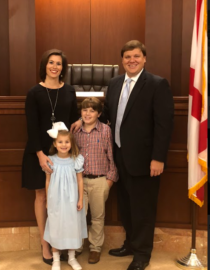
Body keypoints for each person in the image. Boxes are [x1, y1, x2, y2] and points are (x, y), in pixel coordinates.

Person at [71, 40, 174, 270]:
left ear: (144, 58)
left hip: (146, 161)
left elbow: (164, 125)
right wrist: (82, 119)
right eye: (127, 57)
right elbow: (105, 114)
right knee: (127, 206)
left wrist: (158, 158)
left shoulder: (157, 84)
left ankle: (142, 255)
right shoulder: (115, 83)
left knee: (143, 209)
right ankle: (129, 244)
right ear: (122, 60)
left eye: (136, 56)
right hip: (119, 159)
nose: (132, 60)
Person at [22, 49, 81, 265]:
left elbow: (74, 117)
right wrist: (39, 154)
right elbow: (31, 126)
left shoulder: (70, 91)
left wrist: (80, 121)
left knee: (64, 199)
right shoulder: (34, 93)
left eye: (59, 63)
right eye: (51, 62)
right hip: (40, 152)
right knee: (43, 196)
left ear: (63, 68)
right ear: (44, 66)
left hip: (63, 153)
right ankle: (45, 244)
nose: (54, 66)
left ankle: (63, 242)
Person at [73, 97, 118, 264]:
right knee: (79, 215)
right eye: (85, 110)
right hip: (79, 181)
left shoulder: (106, 130)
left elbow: (111, 155)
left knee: (98, 217)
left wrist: (110, 180)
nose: (87, 113)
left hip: (100, 180)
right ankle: (77, 246)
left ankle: (95, 248)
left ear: (99, 113)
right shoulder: (75, 131)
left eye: (92, 110)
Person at [44, 122, 87, 270]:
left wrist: (80, 198)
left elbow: (80, 180)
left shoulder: (76, 160)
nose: (64, 145)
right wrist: (48, 200)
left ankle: (71, 257)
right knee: (56, 226)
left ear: (71, 143)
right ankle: (56, 258)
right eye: (60, 142)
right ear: (55, 144)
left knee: (71, 226)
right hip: (55, 200)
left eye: (67, 142)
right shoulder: (51, 161)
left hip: (71, 200)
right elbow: (48, 181)